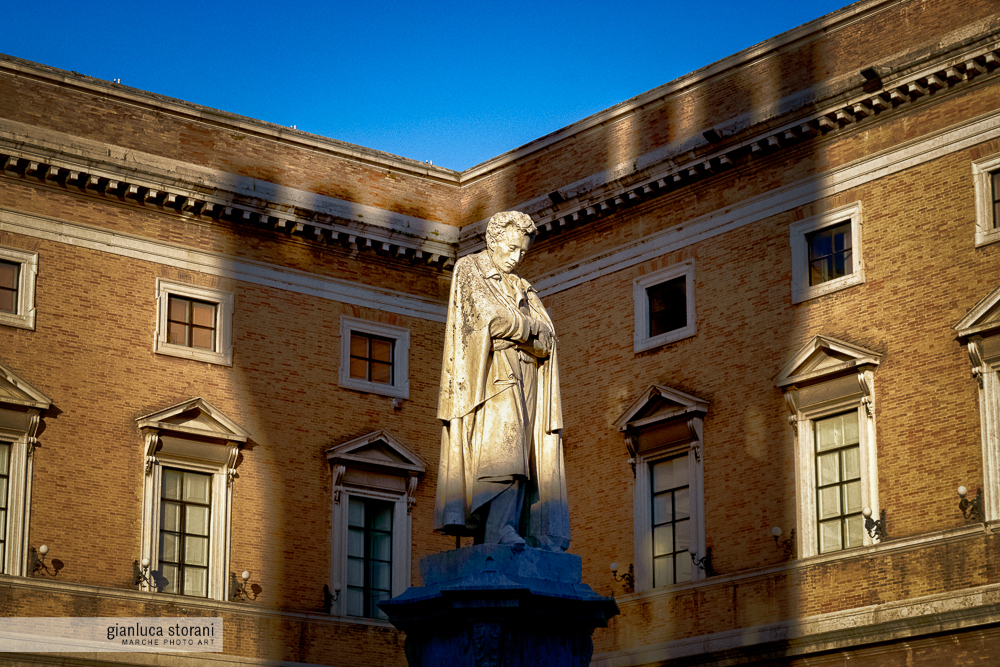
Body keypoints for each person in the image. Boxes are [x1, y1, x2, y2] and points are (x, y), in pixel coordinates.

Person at [434, 211, 570, 551]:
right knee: (502, 454)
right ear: (493, 241)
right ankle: (498, 529)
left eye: (522, 252)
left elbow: (549, 337)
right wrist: (527, 328)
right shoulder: (470, 270)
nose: (515, 257)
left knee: (524, 457)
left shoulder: (522, 286)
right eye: (511, 248)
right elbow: (488, 318)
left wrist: (525, 331)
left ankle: (508, 529)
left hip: (527, 377)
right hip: (492, 380)